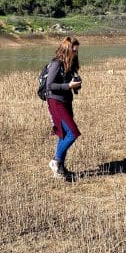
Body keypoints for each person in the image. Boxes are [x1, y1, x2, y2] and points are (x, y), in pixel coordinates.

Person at [46, 36, 82, 179]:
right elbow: (50, 85)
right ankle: (55, 161)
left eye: (77, 51)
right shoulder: (56, 64)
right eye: (74, 51)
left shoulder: (70, 64)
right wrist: (68, 85)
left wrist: (76, 85)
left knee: (65, 134)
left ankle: (60, 170)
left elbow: (69, 85)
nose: (76, 53)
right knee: (73, 133)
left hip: (66, 101)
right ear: (68, 49)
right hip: (56, 102)